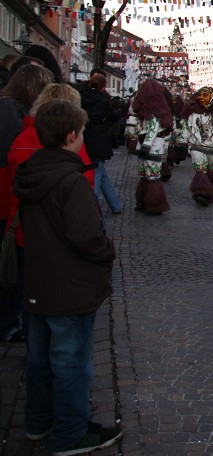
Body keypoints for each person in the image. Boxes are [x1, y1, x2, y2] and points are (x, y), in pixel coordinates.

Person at [14, 99, 121, 455]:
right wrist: (108, 250)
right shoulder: (71, 181)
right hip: (69, 287)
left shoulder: (31, 172)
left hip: (39, 282)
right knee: (72, 363)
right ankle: (71, 434)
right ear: (72, 135)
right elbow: (86, 237)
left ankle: (38, 421)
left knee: (41, 359)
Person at [5, 84, 96, 342]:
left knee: (30, 292)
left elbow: (15, 184)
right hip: (60, 234)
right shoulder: (72, 144)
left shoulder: (22, 139)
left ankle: (34, 343)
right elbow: (85, 184)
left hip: (24, 227)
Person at [0, 64, 53, 341]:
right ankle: (8, 323)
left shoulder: (12, 110)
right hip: (8, 200)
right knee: (11, 269)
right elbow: (11, 162)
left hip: (11, 200)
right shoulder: (10, 113)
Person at [80, 71, 122, 215]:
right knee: (97, 175)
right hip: (98, 140)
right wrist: (119, 110)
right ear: (103, 87)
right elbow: (114, 116)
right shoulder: (102, 100)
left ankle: (115, 205)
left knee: (102, 174)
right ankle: (91, 209)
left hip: (84, 138)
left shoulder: (82, 97)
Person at [130, 79, 173, 214]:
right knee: (145, 175)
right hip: (145, 146)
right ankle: (144, 201)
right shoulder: (146, 113)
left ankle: (154, 203)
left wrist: (146, 145)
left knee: (152, 175)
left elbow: (152, 131)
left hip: (152, 147)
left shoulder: (154, 114)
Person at [184, 86, 213, 206]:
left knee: (211, 171)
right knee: (200, 169)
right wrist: (181, 140)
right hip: (196, 146)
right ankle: (201, 192)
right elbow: (186, 128)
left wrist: (212, 142)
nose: (201, 98)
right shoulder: (192, 114)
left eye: (205, 95)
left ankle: (211, 191)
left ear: (211, 98)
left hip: (212, 148)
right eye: (199, 95)